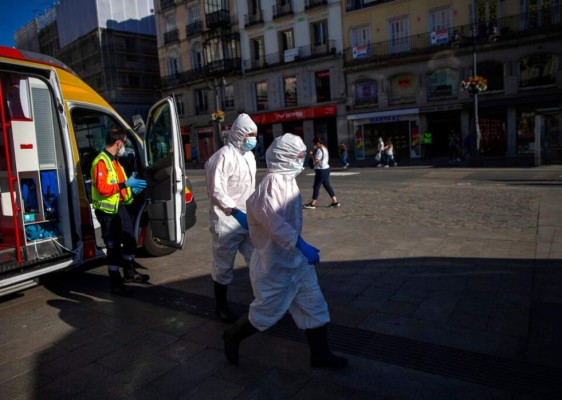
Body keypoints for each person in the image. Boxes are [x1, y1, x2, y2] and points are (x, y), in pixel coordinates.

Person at [223, 133, 348, 369]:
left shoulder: (287, 179)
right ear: (285, 157)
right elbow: (274, 224)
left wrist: (300, 248)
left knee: (314, 305)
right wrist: (302, 244)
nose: (303, 159)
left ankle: (320, 354)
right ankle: (233, 335)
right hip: (275, 264)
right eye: (299, 156)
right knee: (267, 312)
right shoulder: (271, 185)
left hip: (296, 261)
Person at [205, 113, 258, 323]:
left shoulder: (249, 157)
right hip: (226, 221)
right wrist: (235, 212)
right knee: (223, 264)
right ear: (239, 134)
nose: (253, 139)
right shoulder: (222, 157)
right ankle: (221, 306)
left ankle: (264, 299)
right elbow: (215, 191)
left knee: (257, 258)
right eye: (250, 135)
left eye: (255, 135)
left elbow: (249, 188)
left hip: (248, 219)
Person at [91, 127, 148, 295]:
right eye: (124, 142)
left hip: (120, 209)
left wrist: (130, 189)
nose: (125, 146)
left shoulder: (114, 161)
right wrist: (125, 185)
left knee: (130, 240)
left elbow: (120, 184)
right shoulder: (101, 162)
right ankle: (115, 282)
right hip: (108, 213)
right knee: (113, 247)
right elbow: (103, 189)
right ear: (118, 143)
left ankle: (129, 273)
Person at [303, 137, 339, 209]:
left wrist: (311, 155)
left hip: (321, 170)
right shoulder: (325, 148)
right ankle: (334, 201)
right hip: (326, 169)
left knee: (316, 186)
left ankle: (313, 203)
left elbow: (316, 161)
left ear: (318, 143)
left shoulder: (319, 150)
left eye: (314, 143)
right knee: (327, 185)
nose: (314, 145)